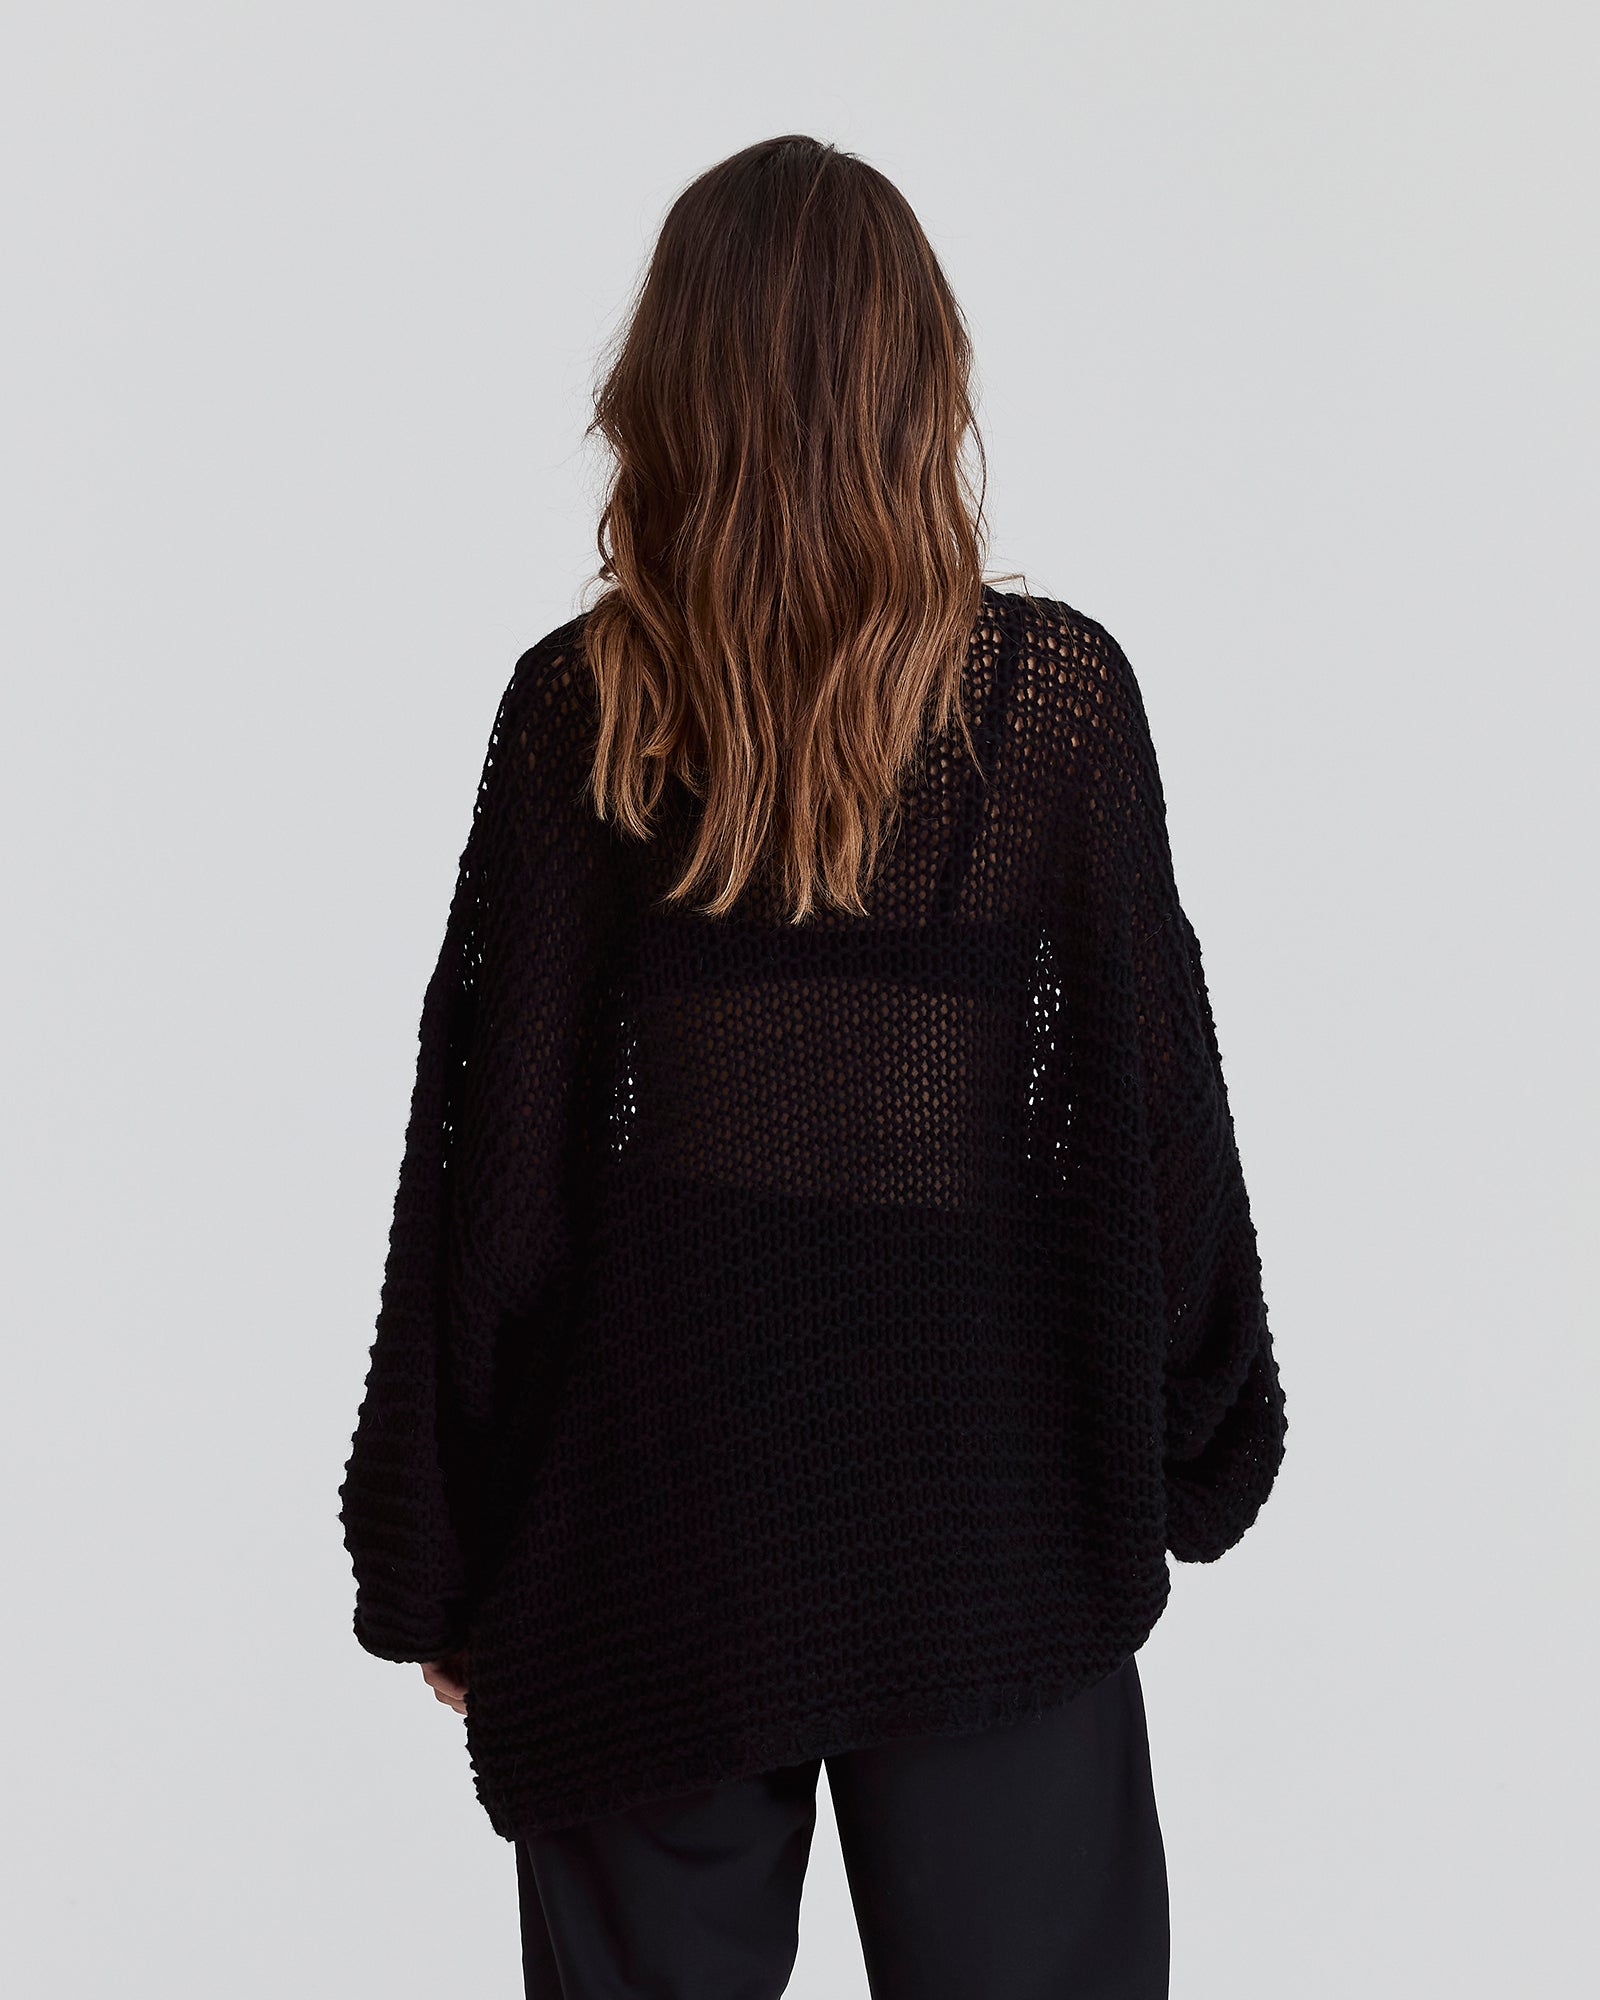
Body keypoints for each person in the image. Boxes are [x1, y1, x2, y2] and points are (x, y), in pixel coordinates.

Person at [338, 133, 1287, 1999]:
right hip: (994, 1528)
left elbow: (490, 1183)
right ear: (922, 386)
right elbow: (1157, 1119)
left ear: (662, 394)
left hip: (649, 1537)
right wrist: (1202, 1437)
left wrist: (436, 1555)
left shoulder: (585, 711)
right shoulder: (1051, 706)